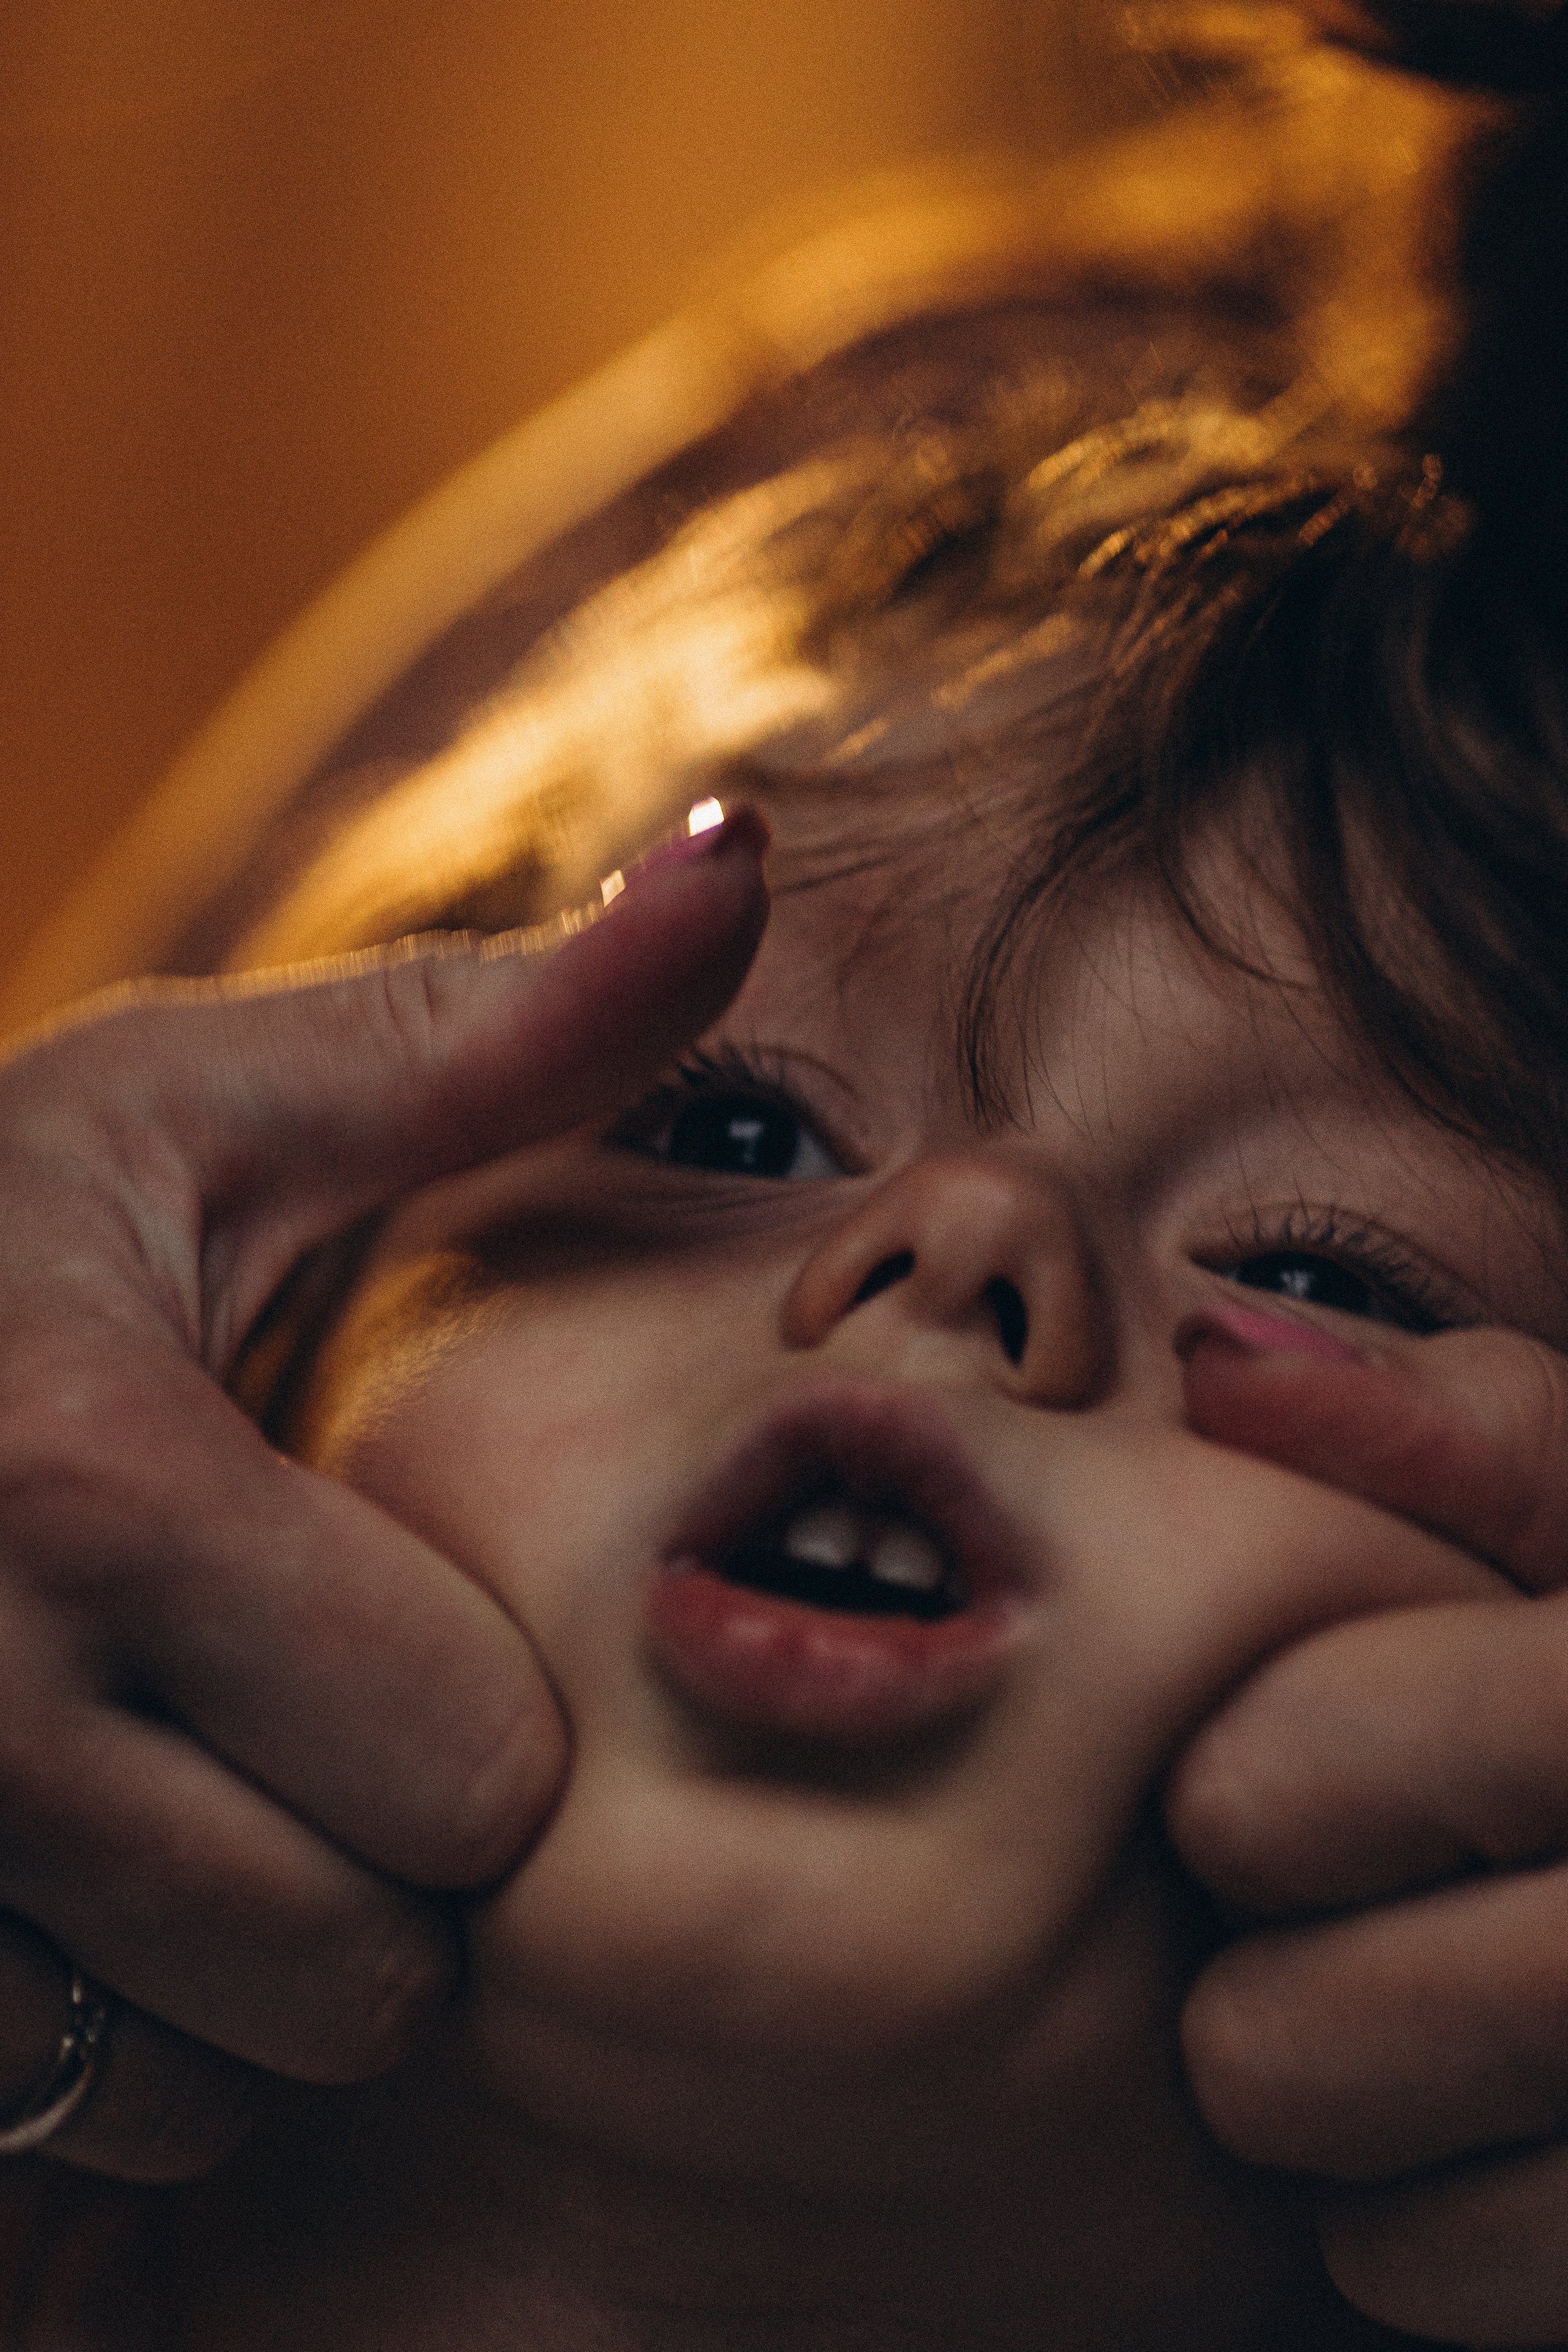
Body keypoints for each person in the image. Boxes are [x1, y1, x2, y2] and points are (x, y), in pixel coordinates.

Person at [2, 3, 1567, 2343]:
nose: (973, 1234)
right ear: (234, 1370)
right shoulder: (937, 404)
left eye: (1324, 1281)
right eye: (731, 1130)